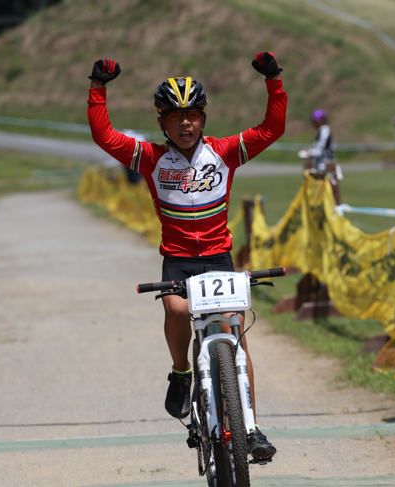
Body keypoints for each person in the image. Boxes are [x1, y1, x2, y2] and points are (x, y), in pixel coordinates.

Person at [87, 52, 287, 461]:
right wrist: (97, 88)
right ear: (162, 122)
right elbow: (104, 135)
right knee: (177, 311)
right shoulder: (150, 158)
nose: (185, 123)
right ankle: (181, 372)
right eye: (175, 116)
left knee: (236, 336)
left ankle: (250, 428)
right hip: (177, 260)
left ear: (204, 119)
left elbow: (273, 128)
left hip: (218, 259)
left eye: (193, 115)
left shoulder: (225, 152)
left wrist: (274, 80)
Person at [298, 109, 334, 173]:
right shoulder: (321, 131)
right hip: (320, 166)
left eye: (316, 122)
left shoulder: (325, 131)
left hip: (325, 166)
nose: (314, 124)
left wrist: (308, 153)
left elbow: (320, 150)